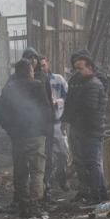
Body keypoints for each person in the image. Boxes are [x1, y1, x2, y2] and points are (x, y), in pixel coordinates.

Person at [0, 58, 52, 219]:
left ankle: (24, 205)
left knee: (20, 171)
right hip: (35, 135)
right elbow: (46, 109)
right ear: (30, 71)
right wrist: (43, 128)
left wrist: (11, 130)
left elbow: (1, 114)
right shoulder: (37, 85)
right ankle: (34, 204)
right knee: (37, 170)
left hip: (17, 137)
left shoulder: (9, 89)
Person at [63, 51, 108, 204]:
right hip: (86, 129)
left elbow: (88, 108)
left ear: (89, 67)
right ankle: (100, 193)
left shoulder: (92, 85)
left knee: (92, 163)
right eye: (75, 68)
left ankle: (96, 195)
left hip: (90, 129)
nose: (77, 72)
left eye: (80, 68)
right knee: (90, 162)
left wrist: (76, 119)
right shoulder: (85, 83)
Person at [39, 56, 70, 193]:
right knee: (47, 154)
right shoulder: (37, 81)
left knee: (63, 152)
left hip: (57, 121)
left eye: (44, 65)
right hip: (44, 123)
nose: (42, 68)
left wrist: (58, 101)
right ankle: (47, 182)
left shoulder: (58, 79)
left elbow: (68, 96)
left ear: (48, 64)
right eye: (40, 66)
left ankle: (62, 176)